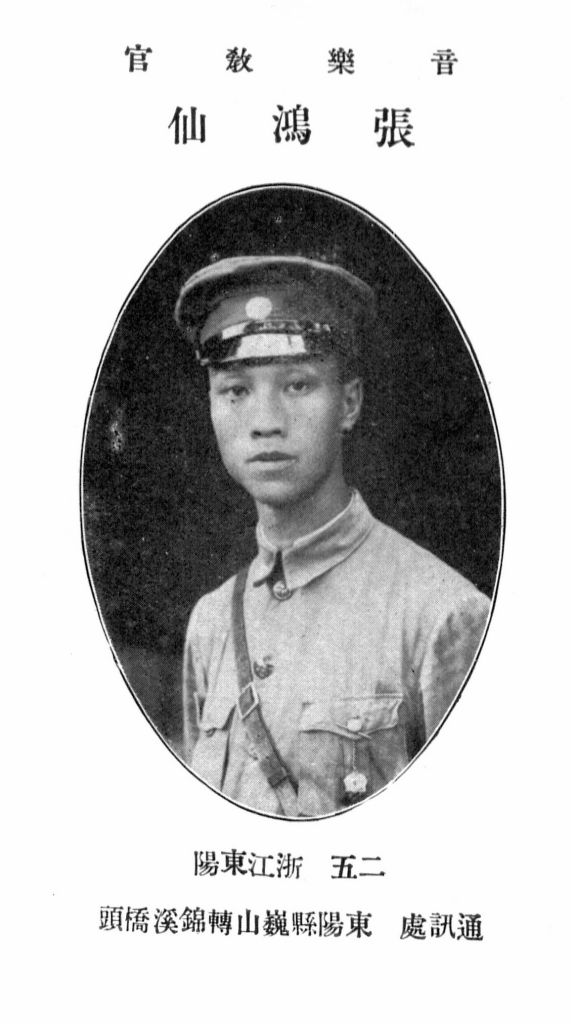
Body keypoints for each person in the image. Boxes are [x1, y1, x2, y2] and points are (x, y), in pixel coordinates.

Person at [174, 253, 490, 818]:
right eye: (236, 390)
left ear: (348, 403)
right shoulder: (212, 622)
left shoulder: (442, 615)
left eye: (297, 385)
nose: (265, 421)